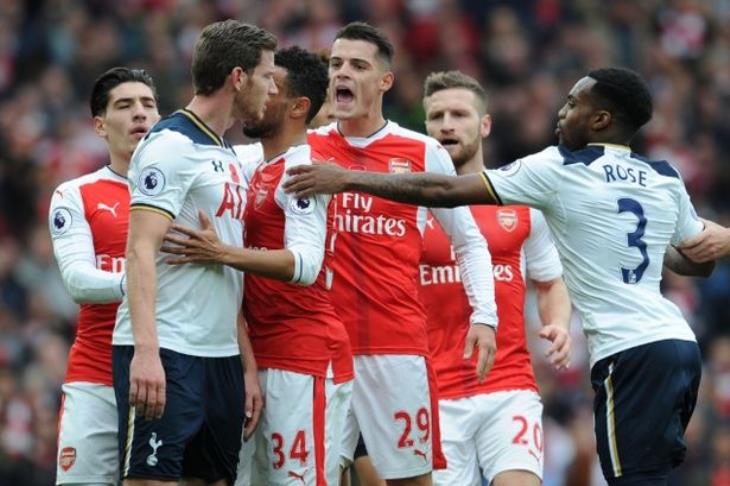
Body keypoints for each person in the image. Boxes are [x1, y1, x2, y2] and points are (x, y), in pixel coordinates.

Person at [284, 67, 715, 485]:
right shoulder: (664, 175)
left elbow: (446, 193)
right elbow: (698, 259)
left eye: (571, 104)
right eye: (437, 116)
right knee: (652, 474)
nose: (561, 112)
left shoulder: (552, 173)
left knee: (632, 478)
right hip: (676, 344)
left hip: (557, 371)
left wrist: (346, 179)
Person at [307, 21, 499, 486]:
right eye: (336, 64)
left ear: (385, 81)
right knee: (313, 478)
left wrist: (485, 315)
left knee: (411, 480)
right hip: (319, 350)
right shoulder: (304, 150)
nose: (342, 74)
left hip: (395, 348)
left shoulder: (421, 151)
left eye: (358, 66)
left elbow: (468, 239)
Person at [160, 46, 353, 486]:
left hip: (302, 355)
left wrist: (221, 253)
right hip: (250, 356)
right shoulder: (252, 164)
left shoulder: (303, 171)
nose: (261, 92)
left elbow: (305, 264)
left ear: (298, 107)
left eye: (272, 85)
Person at [111, 20, 277, 486]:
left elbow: (226, 271)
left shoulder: (226, 152)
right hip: (168, 348)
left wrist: (244, 364)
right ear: (238, 77)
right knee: (152, 480)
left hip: (219, 356)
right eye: (267, 75)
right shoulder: (171, 145)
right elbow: (140, 249)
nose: (272, 88)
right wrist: (147, 352)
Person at [419, 70, 571, 486]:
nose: (447, 125)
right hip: (435, 393)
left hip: (509, 385)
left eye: (459, 114)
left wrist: (557, 324)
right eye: (436, 117)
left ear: (484, 124)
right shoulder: (411, 208)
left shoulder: (520, 201)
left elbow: (550, 281)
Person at [50, 67, 160, 486]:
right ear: (100, 126)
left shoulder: (187, 193)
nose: (140, 113)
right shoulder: (76, 193)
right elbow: (78, 281)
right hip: (95, 375)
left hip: (169, 374)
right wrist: (139, 282)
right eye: (125, 105)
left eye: (148, 104)